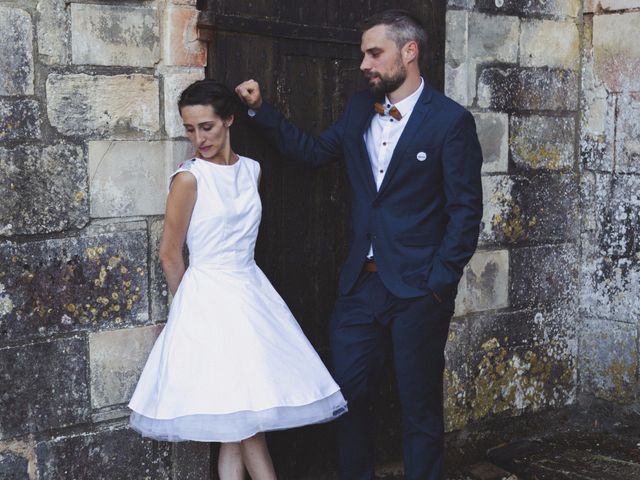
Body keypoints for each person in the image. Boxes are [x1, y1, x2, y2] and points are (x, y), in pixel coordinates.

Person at [235, 9, 483, 480]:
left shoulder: (451, 122)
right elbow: (311, 153)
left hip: (418, 292)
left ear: (409, 52)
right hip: (358, 289)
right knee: (346, 399)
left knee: (419, 408)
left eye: (374, 52)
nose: (365, 63)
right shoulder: (356, 110)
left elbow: (465, 212)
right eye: (363, 54)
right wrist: (258, 109)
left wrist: (439, 281)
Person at [128, 80, 347, 480]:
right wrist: (187, 309)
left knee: (236, 423)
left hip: (250, 295)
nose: (199, 138)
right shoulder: (189, 179)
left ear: (229, 119)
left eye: (207, 127)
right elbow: (169, 253)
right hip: (207, 299)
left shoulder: (252, 171)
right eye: (190, 129)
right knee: (248, 425)